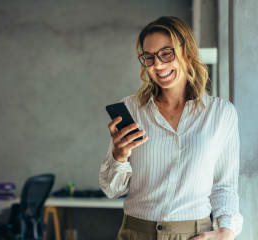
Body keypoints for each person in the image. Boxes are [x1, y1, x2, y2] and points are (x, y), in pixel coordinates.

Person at [99, 16, 242, 240]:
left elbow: (224, 186)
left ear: (187, 51)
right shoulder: (132, 109)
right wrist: (119, 156)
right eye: (149, 57)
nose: (157, 65)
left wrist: (227, 231)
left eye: (166, 53)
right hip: (136, 233)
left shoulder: (222, 114)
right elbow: (112, 190)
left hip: (194, 234)